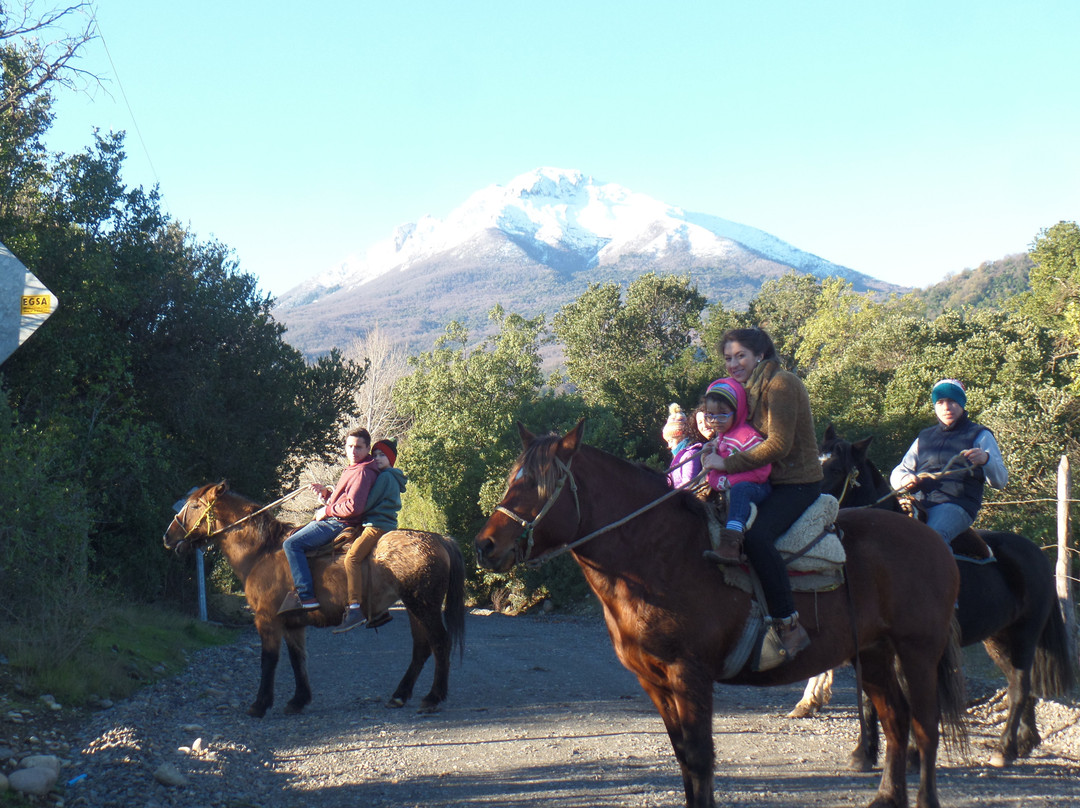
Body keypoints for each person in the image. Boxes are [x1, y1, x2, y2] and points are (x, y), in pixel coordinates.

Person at [700, 327, 821, 665]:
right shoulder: (744, 389)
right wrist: (715, 446)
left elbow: (777, 444)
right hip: (759, 479)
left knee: (756, 538)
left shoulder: (781, 384)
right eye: (728, 358)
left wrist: (725, 462)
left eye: (741, 356)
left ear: (761, 355)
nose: (734, 364)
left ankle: (788, 624)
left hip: (795, 482)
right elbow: (737, 430)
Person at [890, 378, 1007, 545]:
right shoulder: (923, 437)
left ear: (961, 403)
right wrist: (905, 479)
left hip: (957, 505)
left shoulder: (980, 434)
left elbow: (1000, 481)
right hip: (920, 503)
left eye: (952, 401)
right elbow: (900, 470)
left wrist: (986, 459)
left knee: (933, 538)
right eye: (940, 402)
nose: (946, 407)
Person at [279, 427, 379, 615]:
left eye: (358, 447)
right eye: (350, 446)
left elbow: (353, 508)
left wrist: (326, 510)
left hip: (339, 523)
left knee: (291, 545)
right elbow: (347, 499)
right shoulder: (354, 468)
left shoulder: (362, 472)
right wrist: (327, 495)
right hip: (336, 519)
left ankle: (306, 596)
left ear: (368, 449)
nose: (353, 451)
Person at [335, 439, 408, 632]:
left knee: (352, 558)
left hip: (376, 526)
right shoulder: (392, 476)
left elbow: (366, 504)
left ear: (391, 459)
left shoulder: (384, 478)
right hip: (385, 524)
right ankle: (378, 608)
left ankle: (355, 607)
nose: (377, 458)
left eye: (382, 455)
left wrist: (339, 505)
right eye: (374, 455)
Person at [699, 377, 772, 549]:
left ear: (737, 411)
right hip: (732, 484)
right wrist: (708, 457)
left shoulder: (747, 437)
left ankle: (732, 539)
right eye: (710, 415)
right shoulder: (722, 437)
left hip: (756, 486)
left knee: (740, 491)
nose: (716, 420)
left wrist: (727, 479)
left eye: (723, 414)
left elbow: (761, 472)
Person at [663, 403, 701, 490]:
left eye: (671, 441)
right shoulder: (680, 457)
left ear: (681, 438)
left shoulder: (690, 454)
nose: (669, 446)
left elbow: (688, 486)